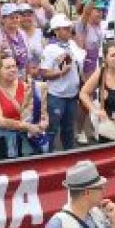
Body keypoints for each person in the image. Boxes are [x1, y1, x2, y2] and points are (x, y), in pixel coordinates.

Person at [0, 52, 47, 160]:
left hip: (24, 140)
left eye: (14, 66)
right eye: (8, 67)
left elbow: (39, 111)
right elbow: (0, 121)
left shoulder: (24, 86)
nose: (13, 69)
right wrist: (27, 126)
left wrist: (43, 122)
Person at [38, 14, 84, 152]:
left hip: (72, 94)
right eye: (65, 28)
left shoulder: (72, 45)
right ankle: (47, 158)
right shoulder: (49, 49)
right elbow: (43, 73)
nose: (69, 30)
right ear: (56, 30)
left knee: (69, 128)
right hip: (56, 95)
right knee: (52, 129)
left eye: (69, 27)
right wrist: (60, 73)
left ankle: (69, 157)